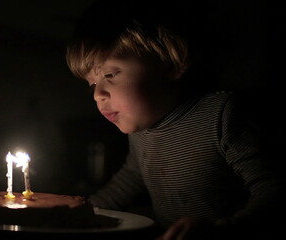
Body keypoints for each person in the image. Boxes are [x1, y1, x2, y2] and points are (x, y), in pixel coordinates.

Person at [65, 0, 285, 239]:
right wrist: (73, 212)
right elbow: (129, 180)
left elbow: (273, 191)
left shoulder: (223, 115)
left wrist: (223, 230)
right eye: (92, 85)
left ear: (170, 62)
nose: (98, 94)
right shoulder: (140, 131)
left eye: (110, 74)